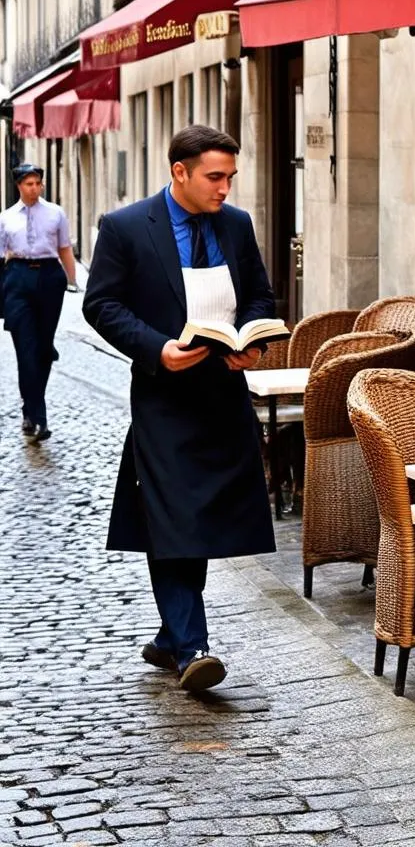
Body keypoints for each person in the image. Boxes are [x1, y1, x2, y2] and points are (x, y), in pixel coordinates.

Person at [83, 125, 276, 693]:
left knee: (201, 519)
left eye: (230, 178)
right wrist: (154, 348)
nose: (224, 188)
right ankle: (193, 646)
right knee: (171, 517)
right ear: (180, 173)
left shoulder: (236, 226)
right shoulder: (124, 228)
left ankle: (171, 636)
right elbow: (101, 304)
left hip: (222, 395)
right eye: (215, 177)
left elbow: (260, 295)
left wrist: (251, 340)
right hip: (163, 398)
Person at [0, 163, 77, 442]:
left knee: (43, 349)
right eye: (28, 184)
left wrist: (73, 281)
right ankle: (37, 416)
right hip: (18, 278)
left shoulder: (55, 213)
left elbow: (65, 248)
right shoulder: (5, 218)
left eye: (38, 183)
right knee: (25, 348)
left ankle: (30, 409)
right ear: (19, 186)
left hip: (49, 278)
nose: (34, 188)